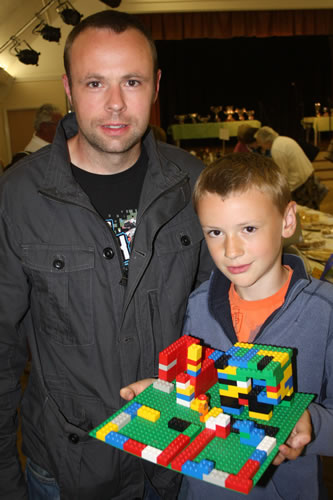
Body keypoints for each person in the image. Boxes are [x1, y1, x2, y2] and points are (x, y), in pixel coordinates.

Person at [0, 10, 212, 500]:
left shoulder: (197, 184)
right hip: (66, 471)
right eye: (95, 83)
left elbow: (227, 323)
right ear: (69, 89)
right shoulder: (17, 198)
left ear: (156, 86)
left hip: (173, 464)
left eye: (131, 81)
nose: (115, 104)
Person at [174, 152, 332, 500]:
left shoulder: (325, 313)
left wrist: (312, 423)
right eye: (215, 232)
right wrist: (165, 393)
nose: (231, 250)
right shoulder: (196, 306)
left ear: (287, 220)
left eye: (248, 228)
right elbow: (194, 396)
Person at [255, 126, 327, 209]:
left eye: (260, 143)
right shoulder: (284, 139)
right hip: (307, 174)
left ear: (267, 141)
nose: (260, 146)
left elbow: (282, 174)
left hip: (300, 183)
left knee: (304, 211)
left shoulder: (277, 149)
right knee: (313, 208)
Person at [5, 103, 63, 168]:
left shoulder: (56, 147)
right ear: (45, 127)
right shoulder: (30, 158)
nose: (62, 128)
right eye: (59, 124)